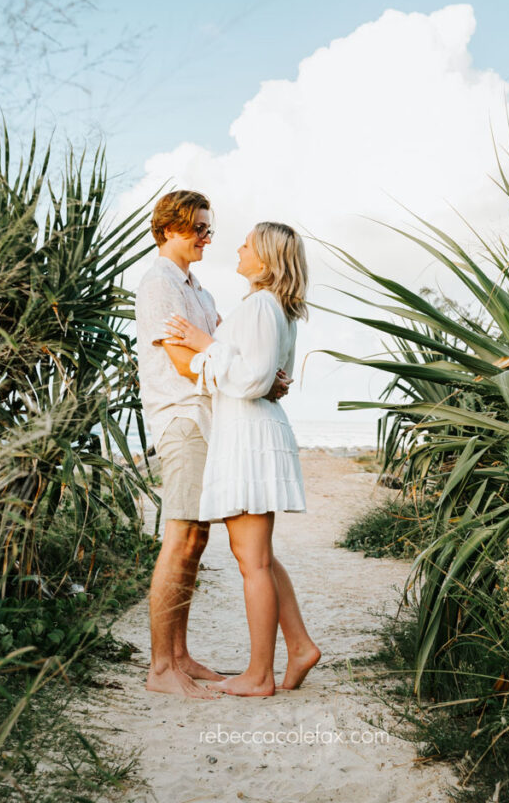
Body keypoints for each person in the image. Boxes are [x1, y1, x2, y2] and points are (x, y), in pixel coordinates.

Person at [135, 193, 289, 700]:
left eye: (209, 229)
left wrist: (261, 379)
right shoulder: (160, 285)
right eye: (198, 228)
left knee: (196, 543)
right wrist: (250, 377)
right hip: (182, 419)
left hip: (210, 420)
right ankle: (161, 669)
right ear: (169, 229)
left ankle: (180, 656)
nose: (207, 237)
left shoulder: (198, 291)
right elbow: (184, 362)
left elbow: (230, 356)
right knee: (179, 539)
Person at [165, 222, 321, 697]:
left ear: (267, 258)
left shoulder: (259, 305)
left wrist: (204, 344)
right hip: (254, 433)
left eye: (247, 244)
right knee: (258, 556)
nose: (238, 247)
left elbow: (253, 379)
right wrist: (216, 348)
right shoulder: (277, 308)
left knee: (251, 561)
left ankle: (259, 674)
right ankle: (298, 646)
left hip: (248, 437)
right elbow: (269, 375)